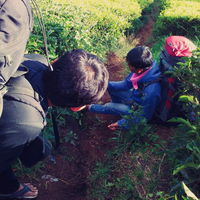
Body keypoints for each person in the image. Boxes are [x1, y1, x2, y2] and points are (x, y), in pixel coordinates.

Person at [0, 1, 109, 199]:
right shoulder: (26, 123)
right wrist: (9, 185)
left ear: (55, 62)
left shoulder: (37, 60)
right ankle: (10, 191)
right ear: (77, 108)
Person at [85, 46, 161, 130]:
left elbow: (144, 117)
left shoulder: (151, 93)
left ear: (139, 69)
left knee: (109, 107)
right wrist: (103, 83)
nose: (128, 65)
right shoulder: (143, 69)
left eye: (130, 65)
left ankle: (88, 107)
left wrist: (120, 124)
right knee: (112, 88)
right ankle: (119, 108)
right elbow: (125, 85)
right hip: (134, 99)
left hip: (137, 110)